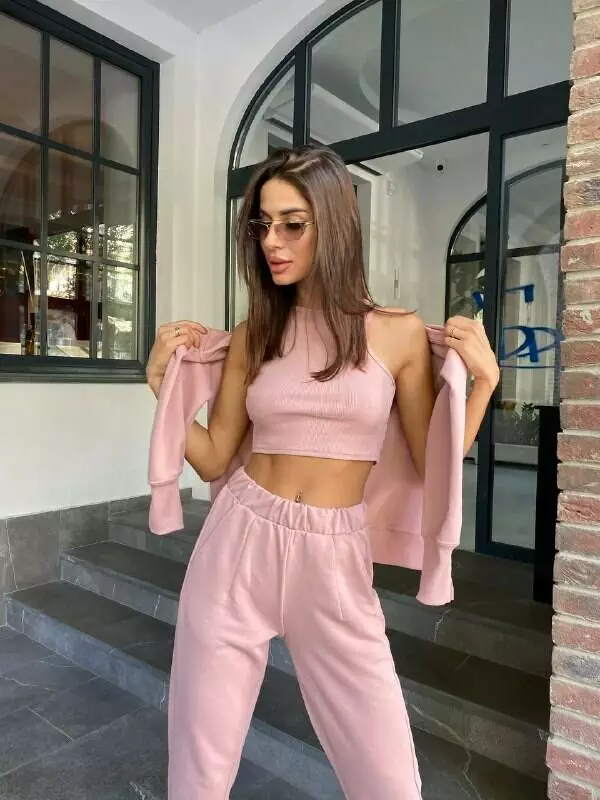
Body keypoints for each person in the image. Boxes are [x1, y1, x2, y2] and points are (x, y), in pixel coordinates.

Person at [146, 145, 500, 799]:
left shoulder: (394, 334)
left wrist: (483, 386)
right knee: (199, 769)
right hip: (237, 542)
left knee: (388, 780)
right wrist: (160, 386)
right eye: (262, 224)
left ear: (334, 225)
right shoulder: (255, 334)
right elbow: (216, 455)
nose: (271, 242)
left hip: (335, 556)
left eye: (292, 224)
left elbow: (433, 462)